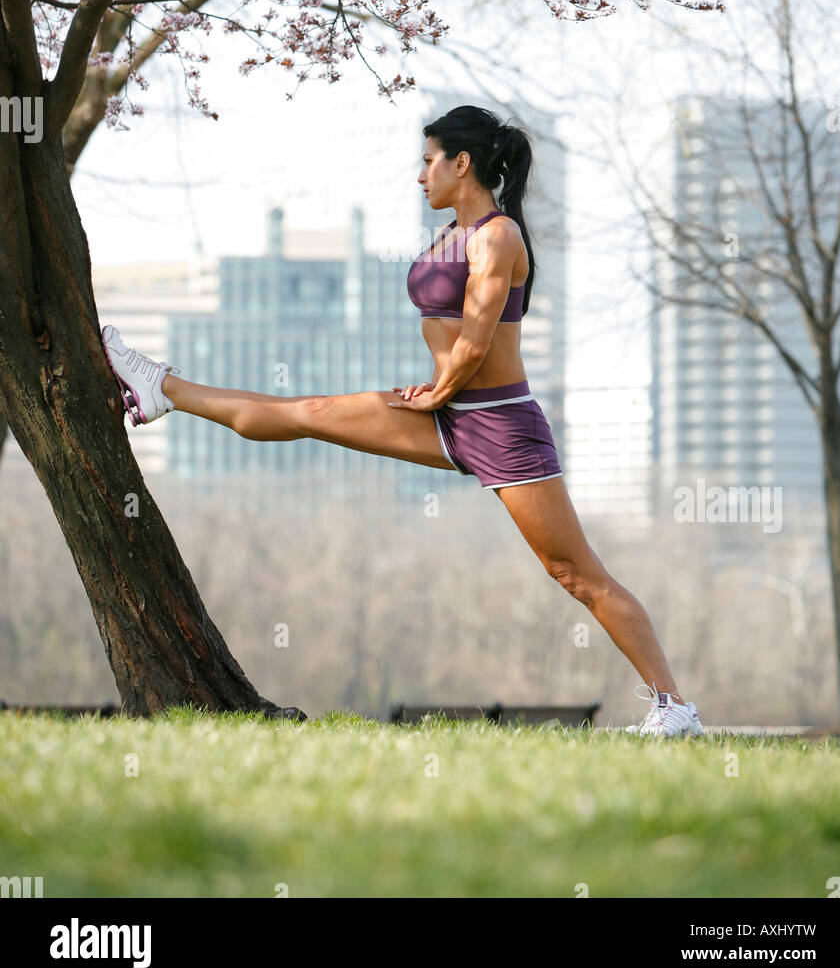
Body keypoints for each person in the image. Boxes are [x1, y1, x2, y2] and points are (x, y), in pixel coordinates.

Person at [101, 104, 704, 738]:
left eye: (428, 161)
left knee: (575, 573)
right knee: (308, 412)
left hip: (499, 423)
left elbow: (474, 340)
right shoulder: (448, 235)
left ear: (461, 163)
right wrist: (437, 394)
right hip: (444, 409)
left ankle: (675, 709)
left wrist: (437, 390)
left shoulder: (498, 236)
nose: (420, 177)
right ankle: (161, 386)